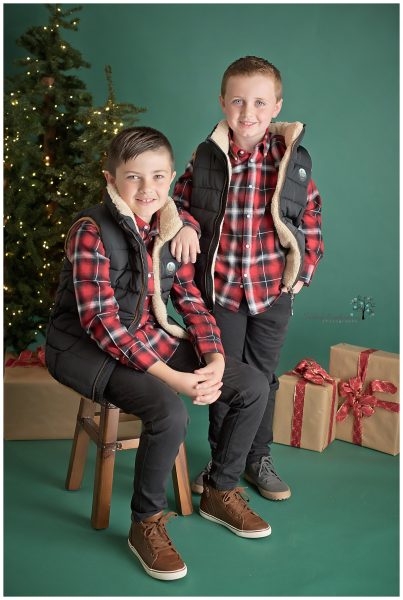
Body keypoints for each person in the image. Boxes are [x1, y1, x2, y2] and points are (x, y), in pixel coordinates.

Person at [45, 126, 273, 582]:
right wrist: (172, 378)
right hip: (89, 350)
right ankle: (144, 522)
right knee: (169, 411)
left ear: (170, 178)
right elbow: (102, 325)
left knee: (251, 384)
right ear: (110, 178)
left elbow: (187, 295)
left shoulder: (171, 227)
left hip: (150, 335)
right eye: (133, 178)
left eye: (157, 177)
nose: (147, 190)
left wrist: (215, 358)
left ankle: (219, 489)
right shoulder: (90, 231)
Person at [172, 56, 324, 502]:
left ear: (276, 106)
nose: (248, 111)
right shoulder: (206, 157)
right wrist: (183, 224)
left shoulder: (290, 161)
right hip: (220, 290)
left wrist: (302, 273)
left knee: (265, 377)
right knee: (227, 378)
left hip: (271, 291)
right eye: (238, 101)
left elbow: (309, 215)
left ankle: (257, 458)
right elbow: (179, 201)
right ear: (222, 103)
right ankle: (224, 464)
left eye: (259, 102)